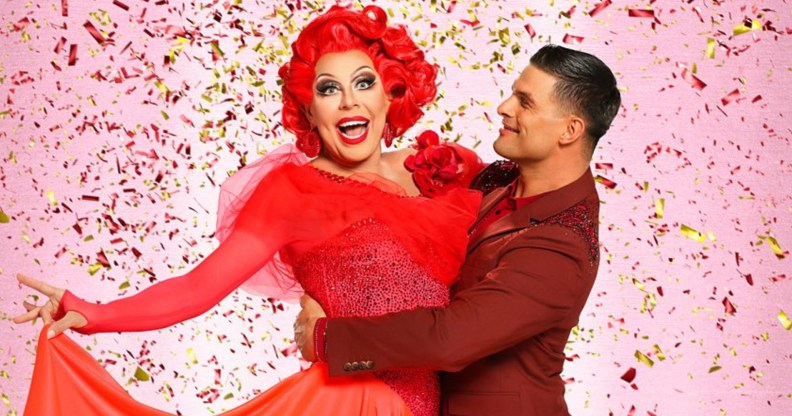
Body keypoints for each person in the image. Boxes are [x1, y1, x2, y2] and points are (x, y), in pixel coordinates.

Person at [13, 5, 486, 416]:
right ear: (308, 109)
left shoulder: (440, 168)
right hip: (351, 401)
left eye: (364, 82)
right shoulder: (292, 191)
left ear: (390, 93)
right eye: (328, 89)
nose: (348, 101)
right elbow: (197, 288)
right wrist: (94, 313)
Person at [294, 44, 622, 416]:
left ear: (570, 130)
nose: (504, 107)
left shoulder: (560, 247)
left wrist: (326, 339)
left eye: (525, 102)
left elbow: (453, 337)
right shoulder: (497, 180)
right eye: (513, 92)